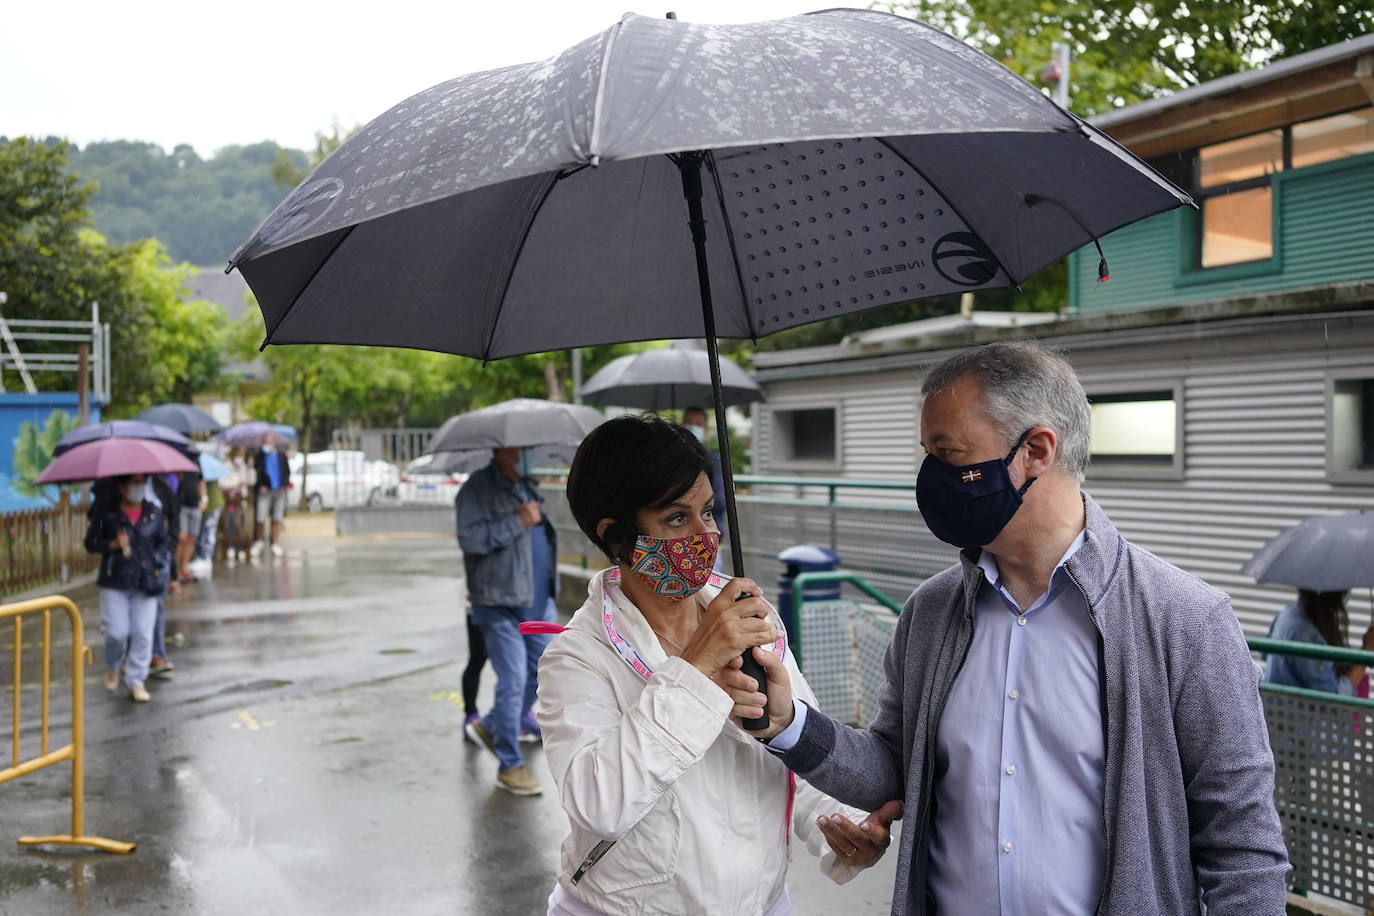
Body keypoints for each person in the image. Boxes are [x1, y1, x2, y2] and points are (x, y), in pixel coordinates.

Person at [752, 341, 1290, 915]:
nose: (931, 476)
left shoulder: (1185, 619)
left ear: (1035, 450)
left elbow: (1243, 849)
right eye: (927, 453)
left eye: (948, 452)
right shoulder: (930, 613)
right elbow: (893, 766)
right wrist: (787, 723)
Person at [535, 415, 898, 915]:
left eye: (707, 512)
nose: (706, 534)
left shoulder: (750, 619)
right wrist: (697, 664)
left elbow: (790, 750)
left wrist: (841, 824)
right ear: (618, 537)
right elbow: (599, 804)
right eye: (677, 518)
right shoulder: (577, 657)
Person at [455, 446, 556, 794]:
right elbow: (470, 540)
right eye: (523, 448)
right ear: (503, 450)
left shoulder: (526, 485)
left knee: (542, 670)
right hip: (498, 602)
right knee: (512, 679)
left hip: (535, 599)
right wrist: (517, 521)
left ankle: (492, 724)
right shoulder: (476, 489)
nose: (530, 452)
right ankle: (509, 765)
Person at [83, 474, 172, 703]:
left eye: (142, 482)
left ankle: (136, 680)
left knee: (143, 633)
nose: (139, 487)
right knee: (117, 632)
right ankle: (113, 665)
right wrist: (111, 544)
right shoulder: (107, 512)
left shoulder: (154, 512)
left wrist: (157, 562)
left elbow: (164, 541)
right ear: (122, 487)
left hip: (146, 582)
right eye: (134, 482)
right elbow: (91, 541)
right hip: (115, 581)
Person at [1266, 589, 1373, 696]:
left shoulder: (1287, 613)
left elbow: (1265, 655)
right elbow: (1334, 697)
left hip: (1273, 705)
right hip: (1293, 710)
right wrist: (1366, 650)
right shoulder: (1308, 637)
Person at [252, 440, 291, 560]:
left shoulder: (281, 455)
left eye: (268, 441)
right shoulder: (260, 456)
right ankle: (259, 541)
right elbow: (256, 472)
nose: (266, 444)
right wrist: (260, 486)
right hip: (265, 491)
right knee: (260, 517)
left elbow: (286, 471)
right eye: (264, 442)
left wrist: (284, 484)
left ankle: (274, 543)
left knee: (277, 517)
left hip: (279, 490)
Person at [174, 466, 206, 584]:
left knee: (191, 538)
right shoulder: (180, 462)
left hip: (195, 505)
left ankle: (184, 568)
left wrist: (204, 499)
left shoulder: (197, 464)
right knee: (181, 538)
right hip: (182, 505)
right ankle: (175, 570)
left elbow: (201, 481)